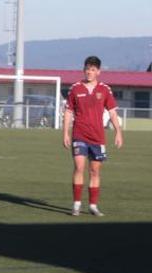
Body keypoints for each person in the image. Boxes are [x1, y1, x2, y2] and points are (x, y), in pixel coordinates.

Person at [63, 55, 124, 217]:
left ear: (98, 72)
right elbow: (68, 112)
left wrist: (118, 132)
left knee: (95, 171)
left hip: (97, 137)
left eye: (92, 70)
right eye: (87, 69)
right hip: (79, 134)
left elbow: (112, 112)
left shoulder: (105, 89)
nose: (89, 72)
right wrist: (65, 133)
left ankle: (93, 205)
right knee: (79, 167)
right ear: (84, 70)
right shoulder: (75, 88)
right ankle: (76, 204)